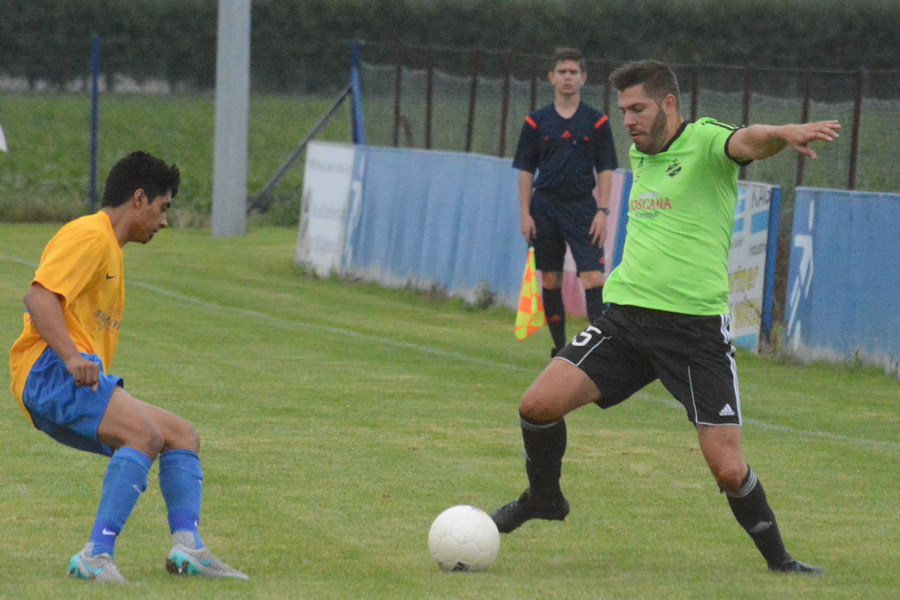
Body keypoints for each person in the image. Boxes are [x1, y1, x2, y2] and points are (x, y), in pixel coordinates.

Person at [491, 60, 840, 575]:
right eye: (623, 110)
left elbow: (747, 141)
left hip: (694, 333)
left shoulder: (704, 140)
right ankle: (544, 498)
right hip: (626, 321)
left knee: (727, 468)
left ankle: (781, 562)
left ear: (669, 104)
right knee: (537, 405)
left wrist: (781, 134)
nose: (628, 120)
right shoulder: (642, 153)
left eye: (638, 109)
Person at [8, 151, 248, 583]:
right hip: (51, 371)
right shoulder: (90, 235)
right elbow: (39, 298)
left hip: (71, 374)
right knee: (144, 435)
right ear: (139, 199)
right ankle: (96, 555)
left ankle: (188, 548)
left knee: (181, 435)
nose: (164, 221)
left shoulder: (109, 248)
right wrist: (72, 357)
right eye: (163, 207)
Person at [513, 47, 618, 356]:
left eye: (573, 72)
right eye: (562, 72)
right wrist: (525, 213)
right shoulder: (536, 122)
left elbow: (606, 169)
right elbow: (525, 170)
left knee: (593, 278)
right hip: (544, 208)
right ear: (551, 77)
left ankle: (597, 350)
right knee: (550, 279)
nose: (568, 77)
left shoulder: (597, 122)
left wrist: (603, 210)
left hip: (583, 208)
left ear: (583, 78)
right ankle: (560, 349)